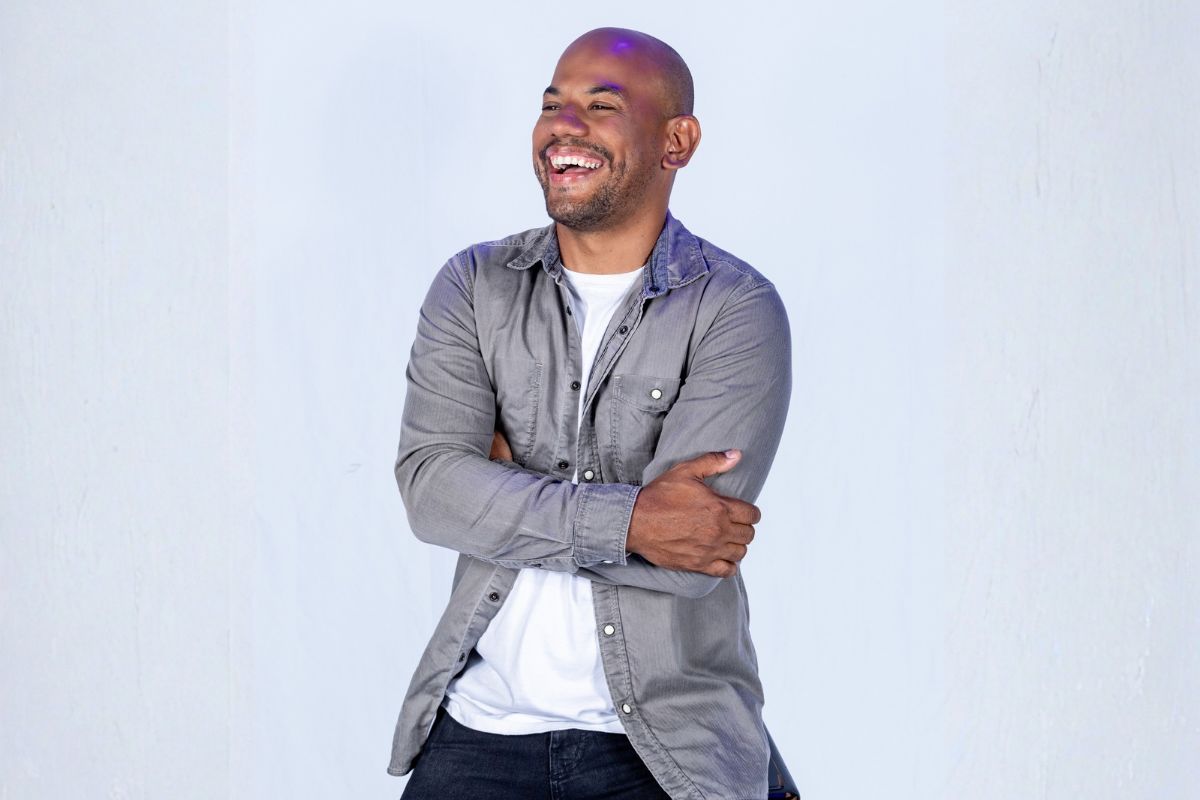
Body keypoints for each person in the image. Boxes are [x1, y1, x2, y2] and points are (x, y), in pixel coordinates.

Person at [389, 27, 792, 800]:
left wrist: (505, 493)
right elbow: (433, 492)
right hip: (474, 737)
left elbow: (692, 551)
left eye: (600, 106)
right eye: (552, 105)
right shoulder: (475, 285)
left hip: (666, 747)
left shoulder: (735, 309)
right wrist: (636, 518)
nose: (562, 128)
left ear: (677, 141)